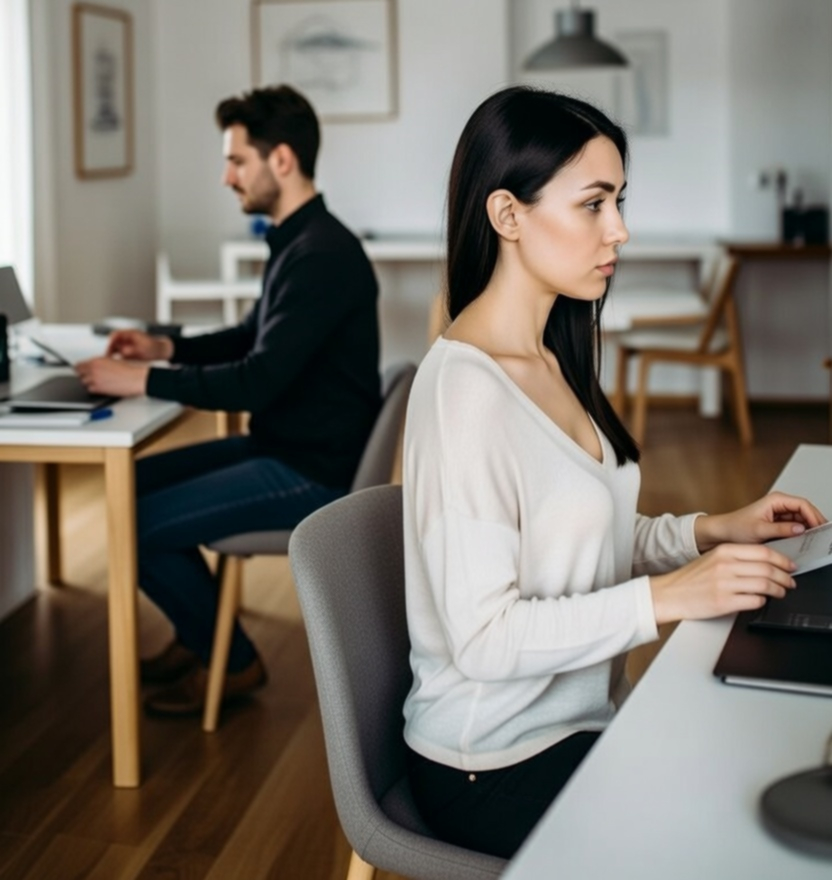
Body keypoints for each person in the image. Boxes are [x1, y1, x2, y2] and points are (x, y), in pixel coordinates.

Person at [400, 85, 825, 860]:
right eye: (594, 204)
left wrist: (710, 530)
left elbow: (575, 537)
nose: (620, 231)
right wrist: (666, 598)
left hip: (577, 723)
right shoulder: (464, 391)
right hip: (491, 762)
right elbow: (484, 639)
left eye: (620, 201)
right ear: (508, 216)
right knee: (735, 839)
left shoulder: (554, 355)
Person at [75, 85, 381, 717]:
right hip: (286, 443)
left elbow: (257, 379)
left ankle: (233, 663)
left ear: (282, 161)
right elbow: (252, 338)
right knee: (127, 489)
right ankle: (201, 638)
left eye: (237, 160)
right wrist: (163, 348)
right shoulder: (300, 240)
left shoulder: (320, 255)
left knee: (135, 523)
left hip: (309, 470)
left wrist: (141, 381)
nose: (225, 176)